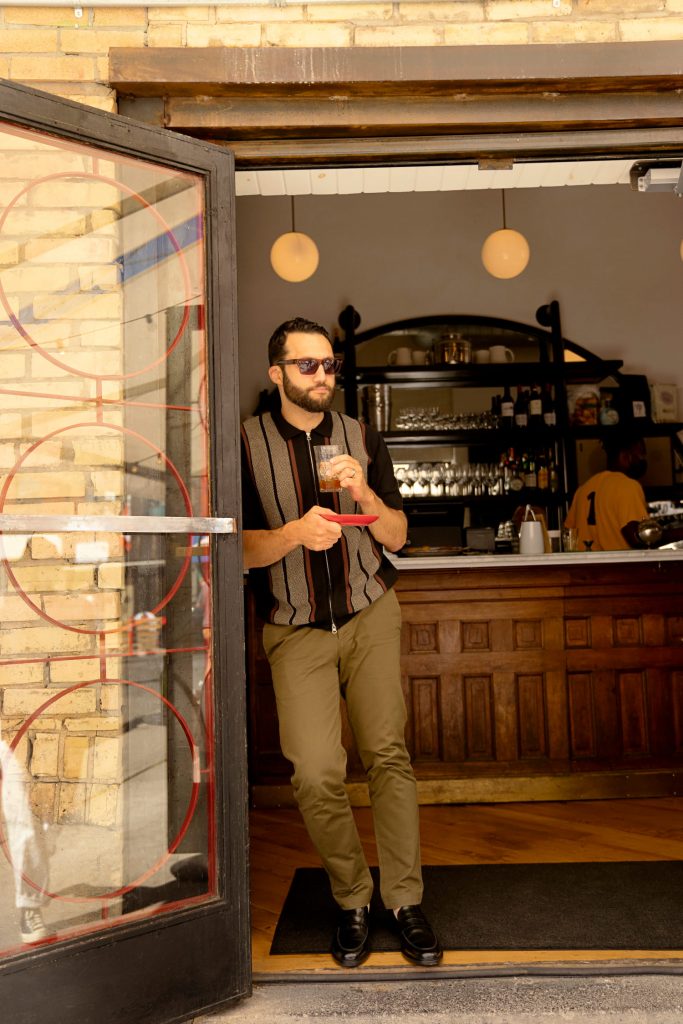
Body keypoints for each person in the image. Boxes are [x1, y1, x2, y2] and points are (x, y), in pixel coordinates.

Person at [240, 317, 442, 969]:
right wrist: (291, 535)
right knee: (316, 770)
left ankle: (403, 901)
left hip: (368, 610)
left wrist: (363, 492)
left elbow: (397, 535)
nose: (322, 376)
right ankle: (353, 896)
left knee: (387, 754)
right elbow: (235, 548)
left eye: (328, 365)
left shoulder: (360, 435)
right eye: (306, 366)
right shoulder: (243, 444)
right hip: (293, 623)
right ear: (276, 374)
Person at [564, 434, 681, 551]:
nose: (643, 460)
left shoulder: (584, 489)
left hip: (586, 567)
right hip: (620, 567)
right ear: (626, 456)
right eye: (641, 454)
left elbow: (568, 534)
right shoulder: (627, 485)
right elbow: (640, 537)